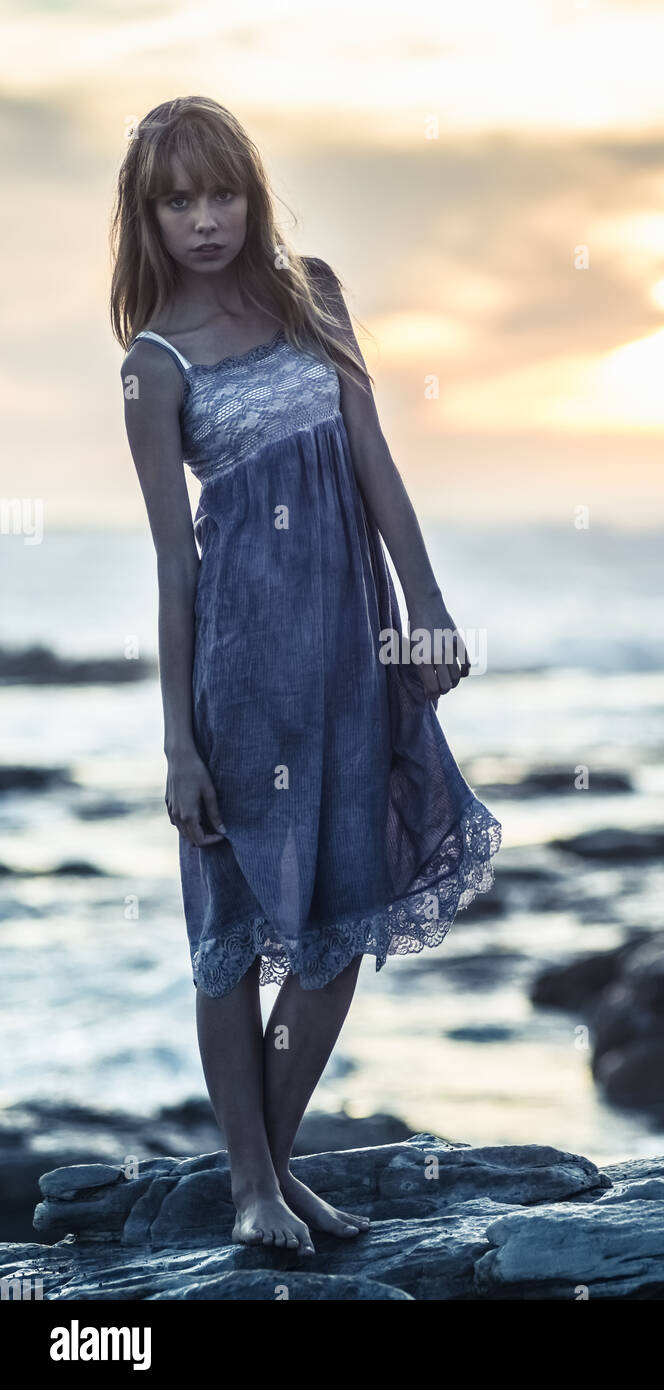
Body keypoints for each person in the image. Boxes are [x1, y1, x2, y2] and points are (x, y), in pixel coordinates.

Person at [113, 95, 502, 1253]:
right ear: (146, 215)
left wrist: (424, 610)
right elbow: (175, 566)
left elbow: (373, 457)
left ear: (252, 190)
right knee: (232, 931)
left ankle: (272, 1171)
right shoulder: (153, 364)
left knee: (342, 923)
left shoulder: (310, 293)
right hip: (240, 675)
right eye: (176, 199)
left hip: (348, 656)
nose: (204, 218)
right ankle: (251, 1186)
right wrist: (177, 744)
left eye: (221, 191)